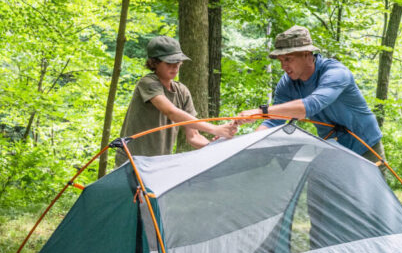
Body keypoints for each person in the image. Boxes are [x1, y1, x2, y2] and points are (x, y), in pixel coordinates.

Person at [240, 25, 385, 162]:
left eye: (288, 59)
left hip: (365, 146)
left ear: (307, 54)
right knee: (318, 188)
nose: (283, 66)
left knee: (370, 189)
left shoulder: (336, 73)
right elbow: (274, 119)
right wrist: (250, 142)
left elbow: (310, 106)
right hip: (332, 149)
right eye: (280, 61)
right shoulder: (287, 83)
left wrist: (261, 111)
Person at [115, 36, 237, 166]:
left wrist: (216, 147)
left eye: (178, 62)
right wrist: (215, 128)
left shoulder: (182, 91)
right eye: (169, 63)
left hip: (158, 164)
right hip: (131, 161)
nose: (175, 67)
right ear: (154, 63)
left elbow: (193, 137)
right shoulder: (148, 83)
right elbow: (170, 111)